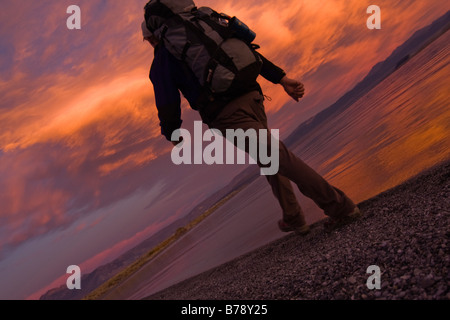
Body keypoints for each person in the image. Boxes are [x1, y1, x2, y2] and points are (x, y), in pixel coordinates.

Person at [141, 18, 360, 234]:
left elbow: (167, 100)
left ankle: (339, 207)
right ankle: (294, 217)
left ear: (152, 37)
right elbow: (244, 51)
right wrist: (281, 78)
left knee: (275, 155)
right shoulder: (205, 29)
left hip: (226, 114)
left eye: (148, 41)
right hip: (254, 97)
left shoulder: (163, 58)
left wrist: (172, 132)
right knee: (268, 157)